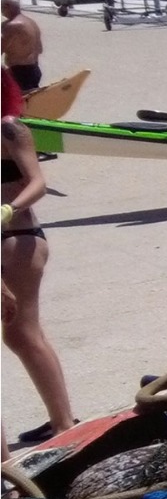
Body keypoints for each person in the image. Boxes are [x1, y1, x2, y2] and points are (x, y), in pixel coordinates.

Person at [2, 68, 75, 444]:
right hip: (14, 238)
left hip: (16, 238)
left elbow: (37, 182)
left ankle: (63, 424)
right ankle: (62, 420)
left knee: (24, 333)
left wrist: (8, 208)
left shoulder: (10, 127)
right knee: (21, 335)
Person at [1, 0, 43, 92]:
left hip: (19, 74)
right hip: (34, 70)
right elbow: (40, 49)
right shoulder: (31, 22)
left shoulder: (11, 26)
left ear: (7, 6)